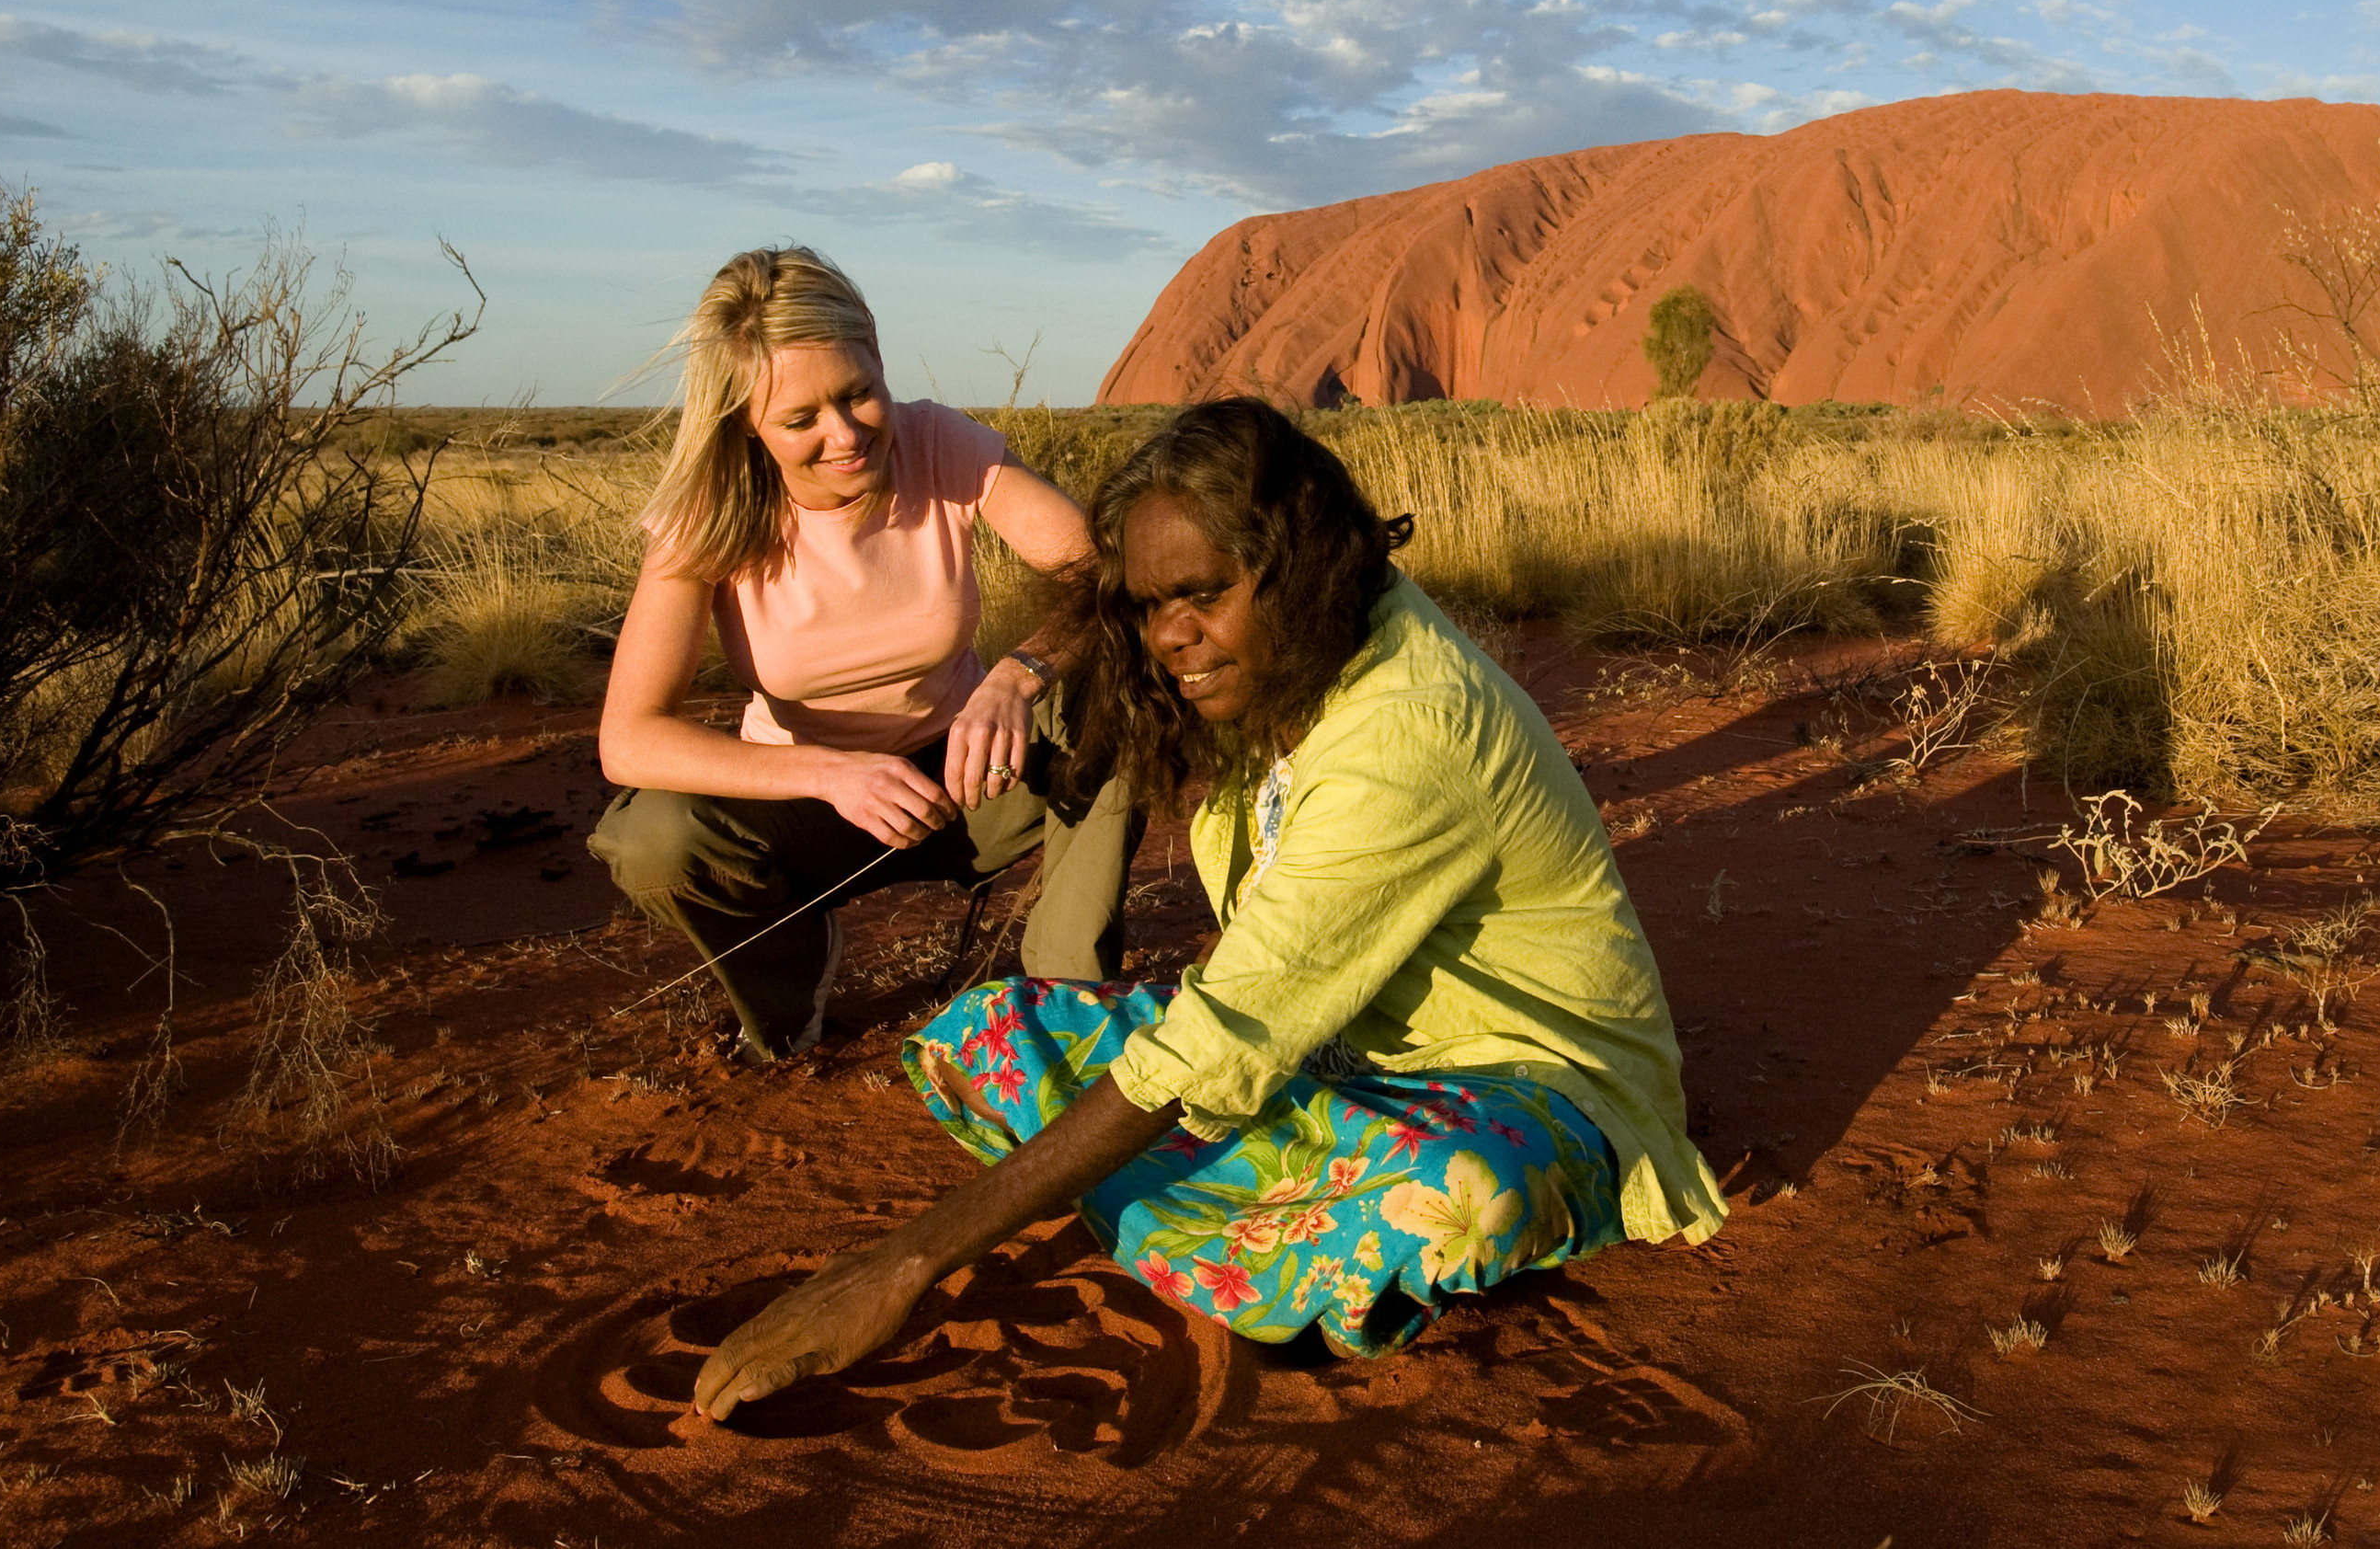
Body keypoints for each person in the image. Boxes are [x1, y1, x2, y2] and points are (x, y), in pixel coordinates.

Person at [692, 397, 1722, 1415]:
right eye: (1147, 604)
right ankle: (1224, 1214)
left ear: (1300, 564)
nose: (1171, 635)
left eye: (1201, 594)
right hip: (1336, 1049)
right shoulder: (1289, 655)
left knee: (1460, 1192)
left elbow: (1221, 1031)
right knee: (990, 1031)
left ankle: (1186, 1200)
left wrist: (902, 1264)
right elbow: (1236, 1012)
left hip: (1516, 1074)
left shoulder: (1408, 731)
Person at [589, 247, 1136, 1062]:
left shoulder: (940, 444)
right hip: (810, 812)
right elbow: (629, 736)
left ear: (879, 357)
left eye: (858, 394)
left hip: (968, 775)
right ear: (746, 418)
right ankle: (789, 976)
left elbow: (1102, 576)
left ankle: (1063, 1009)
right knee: (654, 839)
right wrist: (830, 772)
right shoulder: (712, 507)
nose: (844, 435)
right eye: (800, 419)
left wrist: (1015, 676)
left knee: (1122, 694)